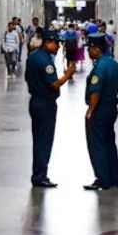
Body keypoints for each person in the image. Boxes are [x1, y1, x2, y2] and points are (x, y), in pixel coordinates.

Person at [25, 32, 75, 187]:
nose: (59, 47)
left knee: (39, 138)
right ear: (48, 43)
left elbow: (27, 77)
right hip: (45, 104)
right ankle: (40, 176)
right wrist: (68, 75)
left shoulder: (33, 56)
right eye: (56, 44)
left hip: (35, 101)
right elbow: (53, 84)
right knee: (44, 140)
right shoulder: (45, 61)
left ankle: (38, 174)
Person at [83, 35, 118, 191]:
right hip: (112, 108)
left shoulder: (99, 68)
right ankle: (113, 177)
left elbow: (96, 92)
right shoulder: (113, 63)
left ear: (97, 50)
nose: (88, 51)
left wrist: (90, 111)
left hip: (100, 110)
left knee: (97, 144)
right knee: (109, 142)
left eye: (90, 49)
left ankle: (102, 179)